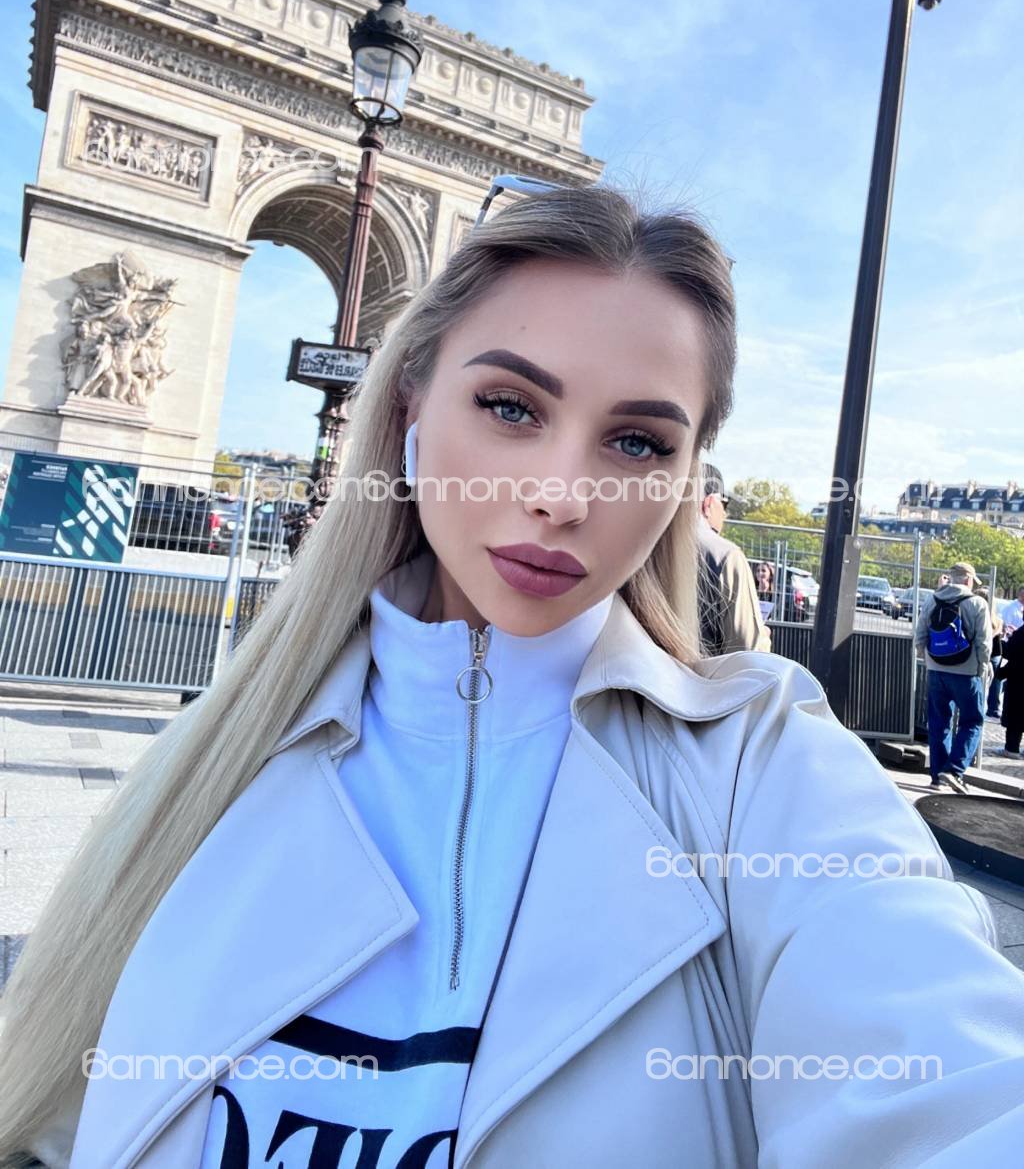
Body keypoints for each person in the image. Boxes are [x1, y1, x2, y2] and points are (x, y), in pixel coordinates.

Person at [3, 186, 1024, 1169]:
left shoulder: (770, 773)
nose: (560, 495)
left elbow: (948, 1080)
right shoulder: (220, 756)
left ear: (684, 477)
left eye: (637, 441)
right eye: (510, 405)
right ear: (409, 405)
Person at [914, 561, 993, 793]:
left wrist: (928, 659)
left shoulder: (932, 599)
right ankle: (954, 770)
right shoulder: (977, 603)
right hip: (966, 672)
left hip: (936, 670)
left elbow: (920, 634)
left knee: (938, 723)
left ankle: (937, 778)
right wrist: (981, 668)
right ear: (968, 580)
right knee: (972, 721)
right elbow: (984, 644)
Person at [696, 462, 771, 655]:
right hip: (706, 672)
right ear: (708, 503)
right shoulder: (725, 555)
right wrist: (762, 639)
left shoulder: (638, 547)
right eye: (725, 503)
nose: (725, 513)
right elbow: (746, 651)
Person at [991, 619, 1024, 759]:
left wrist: (1003, 641)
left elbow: (1012, 655)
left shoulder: (1020, 634)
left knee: (1015, 717)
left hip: (1018, 683)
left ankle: (1011, 748)